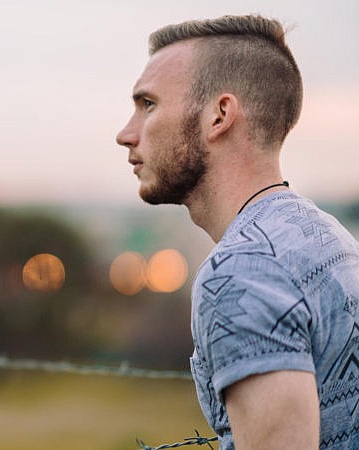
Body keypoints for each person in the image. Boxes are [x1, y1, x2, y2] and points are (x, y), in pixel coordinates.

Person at [115, 14, 359, 450]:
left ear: (219, 116)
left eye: (148, 104)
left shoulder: (243, 271)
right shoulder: (327, 236)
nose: (125, 134)